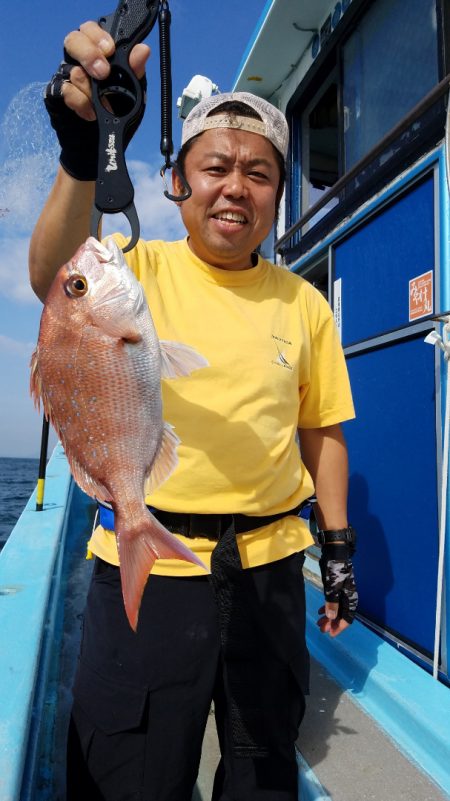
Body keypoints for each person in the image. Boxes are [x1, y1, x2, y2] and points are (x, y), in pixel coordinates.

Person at [29, 20, 358, 801]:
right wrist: (85, 155)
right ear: (179, 181)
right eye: (215, 167)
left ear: (277, 194)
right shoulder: (132, 270)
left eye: (259, 173)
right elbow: (54, 275)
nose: (235, 186)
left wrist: (337, 548)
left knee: (261, 768)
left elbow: (323, 432)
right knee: (130, 774)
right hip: (146, 557)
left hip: (270, 570)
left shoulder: (306, 305)